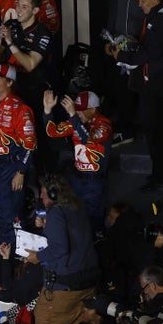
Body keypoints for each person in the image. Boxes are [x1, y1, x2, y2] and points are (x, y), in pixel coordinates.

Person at [106, 0, 163, 192]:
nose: (139, 4)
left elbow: (149, 53)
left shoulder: (161, 19)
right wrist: (131, 41)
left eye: (143, 0)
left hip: (154, 84)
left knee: (155, 132)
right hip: (157, 82)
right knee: (158, 130)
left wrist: (122, 54)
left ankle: (161, 176)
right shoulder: (158, 13)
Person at [102, 0, 163, 145]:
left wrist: (147, 38)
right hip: (119, 40)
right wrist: (109, 37)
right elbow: (113, 7)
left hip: (143, 43)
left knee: (147, 92)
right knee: (120, 88)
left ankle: (157, 135)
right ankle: (125, 130)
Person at [25, 177, 100, 324]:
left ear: (53, 193)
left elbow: (60, 248)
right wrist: (47, 225)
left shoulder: (56, 214)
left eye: (43, 193)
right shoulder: (77, 208)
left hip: (64, 288)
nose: (41, 197)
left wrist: (38, 257)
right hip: (87, 285)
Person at [0, 62, 36, 245]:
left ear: (10, 82)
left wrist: (20, 172)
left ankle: (18, 254)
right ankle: (7, 250)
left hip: (12, 167)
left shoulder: (20, 109)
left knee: (12, 214)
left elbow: (29, 144)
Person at [42, 90, 112, 234]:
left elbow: (89, 140)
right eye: (76, 109)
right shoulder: (76, 121)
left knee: (93, 221)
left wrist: (74, 116)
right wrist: (48, 111)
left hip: (95, 182)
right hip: (77, 179)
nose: (77, 113)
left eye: (81, 110)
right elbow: (53, 132)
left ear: (93, 109)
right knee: (74, 217)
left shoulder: (104, 125)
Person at [0, 0, 56, 118]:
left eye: (24, 7)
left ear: (35, 10)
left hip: (32, 90)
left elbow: (30, 65)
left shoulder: (42, 33)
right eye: (18, 5)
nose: (18, 10)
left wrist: (10, 42)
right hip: (9, 88)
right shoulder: (11, 25)